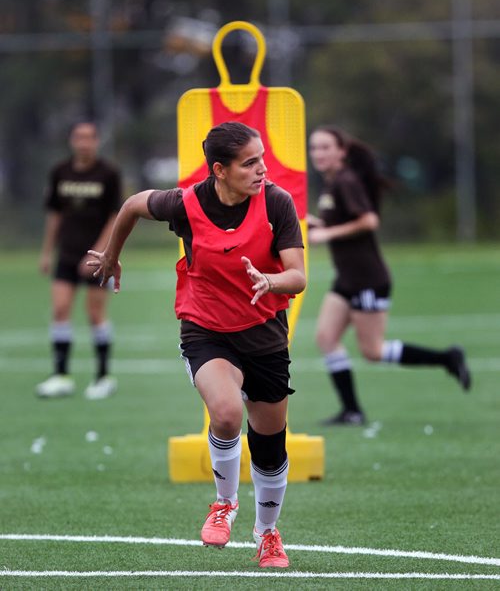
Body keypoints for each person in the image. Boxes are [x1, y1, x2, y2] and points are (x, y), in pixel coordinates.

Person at [87, 121, 306, 568]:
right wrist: (112, 255)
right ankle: (224, 503)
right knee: (225, 413)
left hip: (264, 336)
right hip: (205, 329)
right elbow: (130, 205)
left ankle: (267, 534)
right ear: (220, 170)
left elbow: (298, 276)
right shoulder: (185, 204)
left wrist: (271, 280)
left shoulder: (277, 203)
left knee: (270, 446)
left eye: (262, 158)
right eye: (250, 163)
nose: (262, 169)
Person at [307, 125, 471, 426]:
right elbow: (344, 221)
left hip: (367, 278)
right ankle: (352, 411)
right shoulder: (332, 183)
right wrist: (316, 224)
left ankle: (447, 358)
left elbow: (369, 220)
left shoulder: (346, 181)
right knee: (326, 338)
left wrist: (327, 232)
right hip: (347, 278)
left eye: (325, 147)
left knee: (372, 350)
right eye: (314, 148)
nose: (318, 154)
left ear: (341, 151)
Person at [36, 121, 122, 400]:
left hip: (97, 256)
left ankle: (103, 376)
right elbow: (54, 214)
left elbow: (115, 216)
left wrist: (100, 251)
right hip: (67, 252)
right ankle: (61, 375)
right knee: (60, 309)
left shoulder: (108, 174)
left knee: (94, 313)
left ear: (97, 141)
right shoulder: (60, 172)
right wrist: (48, 252)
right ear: (72, 141)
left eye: (89, 138)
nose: (84, 143)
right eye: (79, 137)